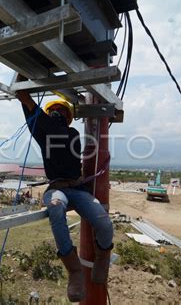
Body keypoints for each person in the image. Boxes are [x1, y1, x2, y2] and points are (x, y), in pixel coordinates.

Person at [15, 76, 114, 302]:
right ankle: (75, 271)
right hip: (57, 189)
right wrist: (23, 92)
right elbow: (32, 116)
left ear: (68, 119)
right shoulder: (44, 133)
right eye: (53, 110)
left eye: (61, 110)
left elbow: (49, 128)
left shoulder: (72, 135)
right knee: (56, 208)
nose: (56, 113)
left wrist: (30, 102)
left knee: (104, 224)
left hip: (77, 189)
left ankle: (102, 260)